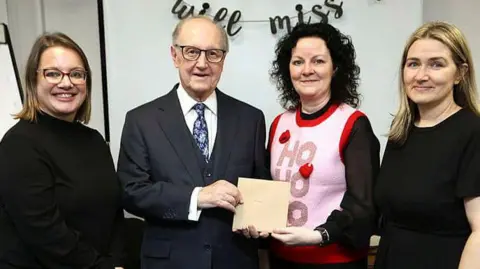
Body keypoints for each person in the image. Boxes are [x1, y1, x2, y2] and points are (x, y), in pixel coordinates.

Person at [117, 15, 269, 269]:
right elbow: (132, 192)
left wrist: (260, 220)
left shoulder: (251, 119)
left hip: (236, 260)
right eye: (191, 52)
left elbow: (259, 185)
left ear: (223, 61)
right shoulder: (141, 120)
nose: (202, 63)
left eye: (213, 54)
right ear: (174, 55)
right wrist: (198, 196)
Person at [0, 33, 125, 269]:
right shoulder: (18, 145)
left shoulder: (94, 140)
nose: (66, 83)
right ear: (33, 79)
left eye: (76, 74)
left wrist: (117, 262)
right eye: (53, 73)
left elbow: (114, 214)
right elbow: (44, 232)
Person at [264, 22, 380, 269]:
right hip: (281, 258)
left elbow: (364, 204)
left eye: (318, 61)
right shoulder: (279, 123)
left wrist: (320, 235)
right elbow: (266, 189)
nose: (307, 70)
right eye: (298, 62)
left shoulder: (353, 124)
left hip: (334, 260)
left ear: (335, 68)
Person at [374, 21, 480, 269]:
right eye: (413, 64)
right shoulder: (401, 130)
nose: (421, 75)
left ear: (460, 73)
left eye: (436, 64)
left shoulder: (473, 132)